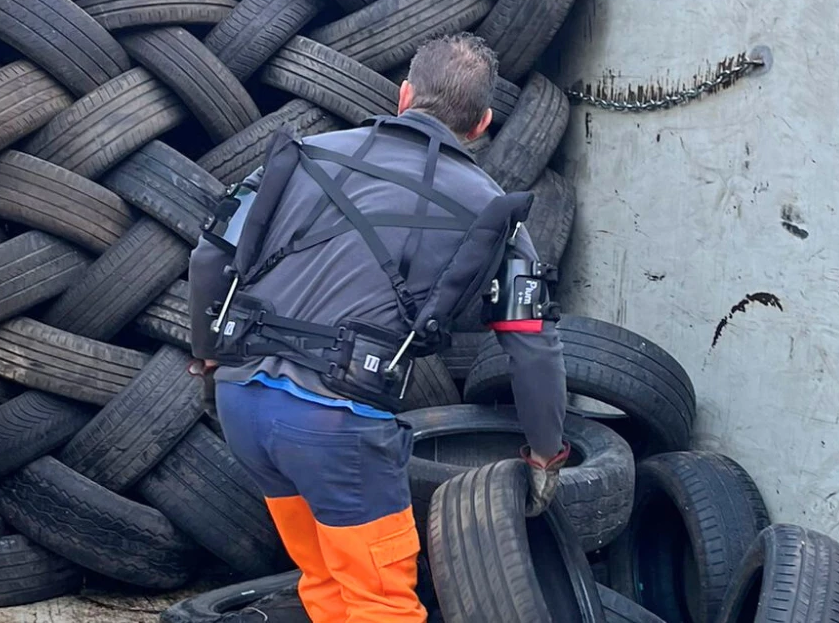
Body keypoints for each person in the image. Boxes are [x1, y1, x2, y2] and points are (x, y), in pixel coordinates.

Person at [186, 33, 570, 623]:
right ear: (483, 122)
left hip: (244, 403)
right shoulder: (492, 210)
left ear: (404, 94)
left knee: (325, 583)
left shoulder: (304, 154)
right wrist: (545, 453)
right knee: (380, 605)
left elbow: (208, 259)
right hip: (337, 428)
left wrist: (210, 357)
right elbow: (531, 344)